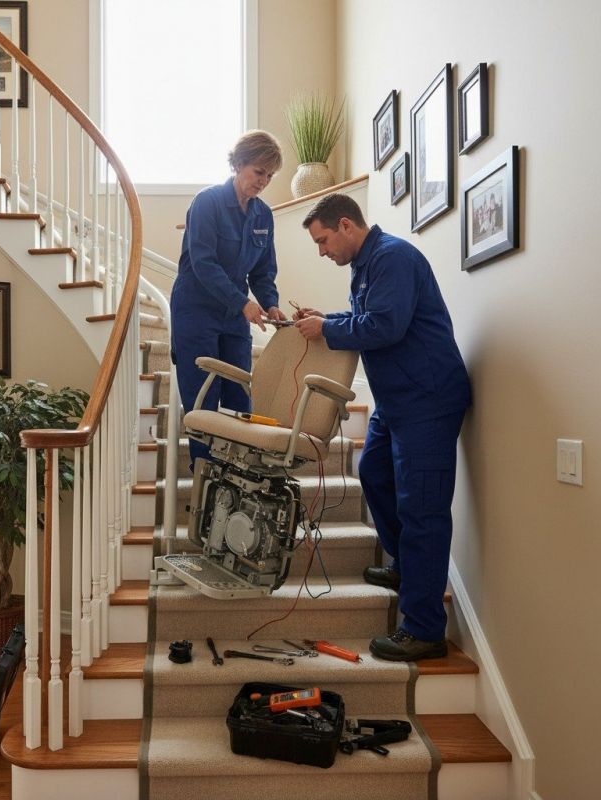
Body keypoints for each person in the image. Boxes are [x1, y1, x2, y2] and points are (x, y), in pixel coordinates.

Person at [293, 193, 471, 662]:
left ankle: (425, 629)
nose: (322, 251)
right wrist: (324, 320)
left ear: (347, 225)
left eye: (323, 240)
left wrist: (327, 331)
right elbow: (364, 319)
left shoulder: (393, 258)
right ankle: (404, 569)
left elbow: (386, 326)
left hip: (428, 399)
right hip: (398, 400)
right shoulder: (366, 264)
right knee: (373, 473)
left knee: (423, 511)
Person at [170, 130, 287, 468]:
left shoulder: (263, 215)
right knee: (203, 398)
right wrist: (243, 303)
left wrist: (270, 303)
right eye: (258, 172)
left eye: (269, 175)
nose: (263, 181)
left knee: (239, 395)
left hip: (234, 313)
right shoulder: (207, 203)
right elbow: (204, 264)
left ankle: (237, 476)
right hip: (195, 309)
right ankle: (205, 477)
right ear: (238, 165)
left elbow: (263, 272)